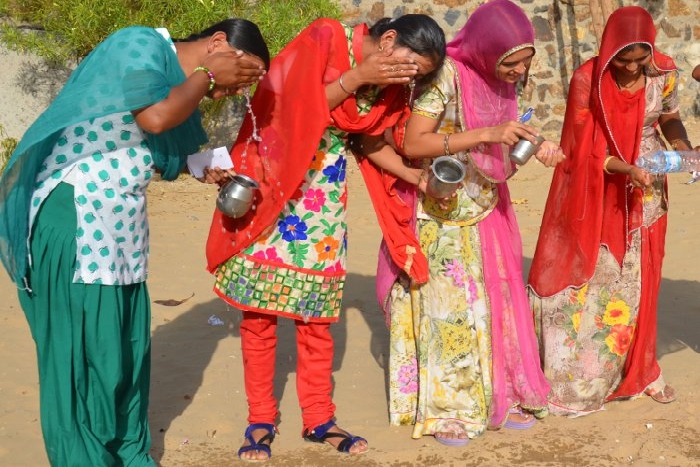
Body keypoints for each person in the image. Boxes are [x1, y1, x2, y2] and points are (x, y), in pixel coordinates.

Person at [0, 19, 269, 465]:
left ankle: (127, 452)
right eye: (241, 74)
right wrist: (207, 76)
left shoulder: (175, 82)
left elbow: (148, 145)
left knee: (122, 349)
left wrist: (201, 165)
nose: (236, 89)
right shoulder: (139, 43)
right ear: (218, 44)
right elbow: (155, 117)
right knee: (80, 354)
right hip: (78, 214)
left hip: (121, 225)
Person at [203, 15, 445, 461]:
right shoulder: (326, 38)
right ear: (389, 39)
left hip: (321, 203)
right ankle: (260, 419)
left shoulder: (386, 87)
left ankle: (319, 418)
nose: (408, 78)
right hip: (272, 188)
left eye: (418, 76)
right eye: (410, 66)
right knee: (259, 316)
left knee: (316, 318)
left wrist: (415, 177)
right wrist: (356, 76)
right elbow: (287, 109)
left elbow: (367, 143)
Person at [353, 0, 563, 446]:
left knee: (494, 303)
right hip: (440, 211)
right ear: (486, 50)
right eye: (510, 62)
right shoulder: (447, 74)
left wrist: (537, 145)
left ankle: (497, 395)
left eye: (525, 62)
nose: (518, 71)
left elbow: (500, 140)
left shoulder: (501, 84)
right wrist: (487, 135)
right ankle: (447, 408)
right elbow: (414, 143)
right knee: (447, 311)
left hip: (486, 207)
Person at [528, 6, 696, 416]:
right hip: (600, 186)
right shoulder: (588, 79)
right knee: (601, 276)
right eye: (623, 60)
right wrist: (625, 169)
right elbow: (579, 149)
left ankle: (641, 369)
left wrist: (684, 149)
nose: (632, 67)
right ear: (609, 51)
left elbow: (670, 118)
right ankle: (586, 373)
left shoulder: (663, 72)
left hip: (648, 188)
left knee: (642, 276)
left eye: (640, 58)